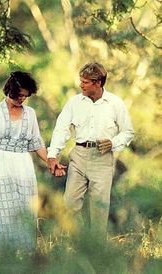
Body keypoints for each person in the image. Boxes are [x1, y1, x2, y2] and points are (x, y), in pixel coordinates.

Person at [47, 62, 134, 240]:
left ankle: (96, 249)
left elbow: (128, 132)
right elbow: (61, 129)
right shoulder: (74, 102)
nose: (81, 85)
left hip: (102, 158)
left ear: (98, 83)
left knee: (99, 208)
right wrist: (52, 154)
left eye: (85, 82)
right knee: (69, 202)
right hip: (78, 155)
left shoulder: (115, 103)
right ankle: (75, 242)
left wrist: (113, 142)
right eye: (81, 81)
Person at [0, 71, 51, 251]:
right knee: (5, 216)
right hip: (0, 166)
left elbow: (36, 142)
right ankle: (6, 259)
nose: (22, 99)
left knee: (27, 214)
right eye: (19, 95)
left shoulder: (30, 113)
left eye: (25, 96)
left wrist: (51, 162)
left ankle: (27, 258)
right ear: (10, 91)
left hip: (24, 166)